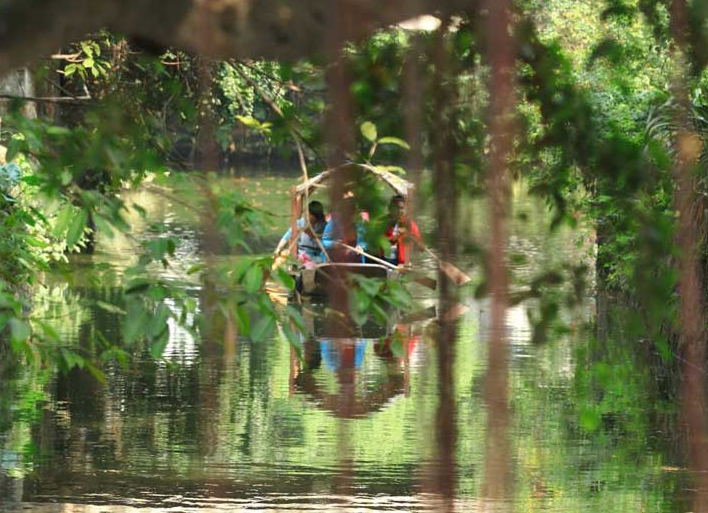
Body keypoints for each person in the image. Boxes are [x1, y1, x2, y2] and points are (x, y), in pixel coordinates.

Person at [276, 200, 327, 265]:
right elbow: (286, 236)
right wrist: (278, 249)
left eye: (310, 215)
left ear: (317, 216)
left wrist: (312, 234)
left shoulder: (324, 225)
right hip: (305, 254)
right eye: (307, 213)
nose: (307, 216)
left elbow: (327, 239)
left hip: (319, 255)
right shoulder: (300, 223)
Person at [384, 195, 420, 266]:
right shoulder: (382, 222)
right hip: (384, 261)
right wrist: (397, 235)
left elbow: (420, 247)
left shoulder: (410, 224)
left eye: (401, 208)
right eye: (396, 208)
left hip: (403, 264)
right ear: (390, 209)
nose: (400, 211)